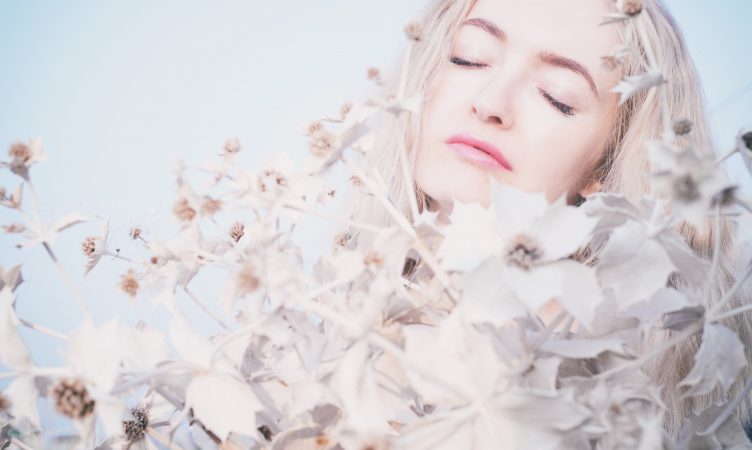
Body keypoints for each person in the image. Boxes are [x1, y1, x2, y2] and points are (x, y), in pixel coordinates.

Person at [345, 0, 752, 440]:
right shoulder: (329, 327)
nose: (490, 102)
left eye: (557, 97)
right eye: (469, 57)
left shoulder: (609, 411)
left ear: (604, 169)